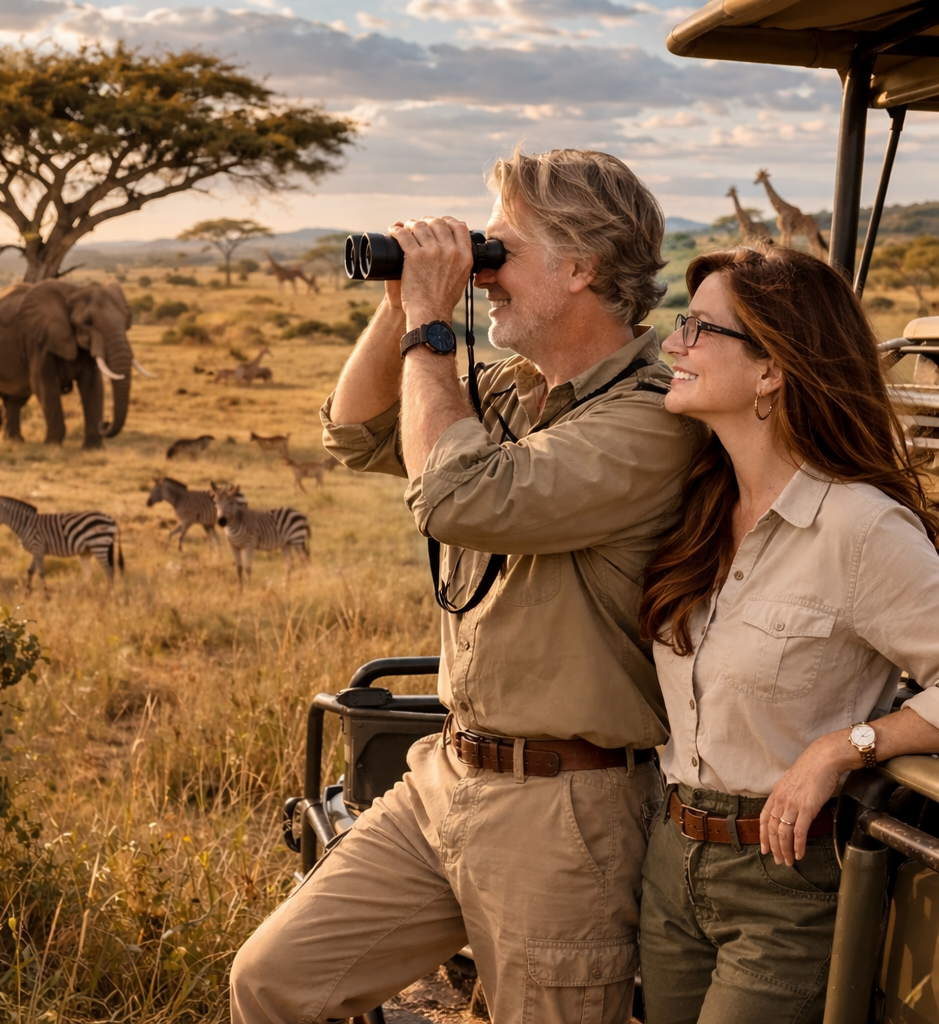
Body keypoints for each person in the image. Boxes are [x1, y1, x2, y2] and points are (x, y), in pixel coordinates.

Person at [229, 148, 698, 1024]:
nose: (483, 267)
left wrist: (432, 329)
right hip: (449, 773)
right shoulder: (523, 393)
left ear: (582, 267)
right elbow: (360, 436)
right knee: (275, 981)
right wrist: (399, 299)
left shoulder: (650, 418)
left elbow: (456, 496)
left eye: (500, 249)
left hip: (569, 810)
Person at [637, 245, 939, 1024]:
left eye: (700, 329)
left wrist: (842, 748)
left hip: (785, 876)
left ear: (771, 369)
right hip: (670, 861)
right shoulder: (698, 507)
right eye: (682, 325)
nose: (675, 346)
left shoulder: (862, 528)